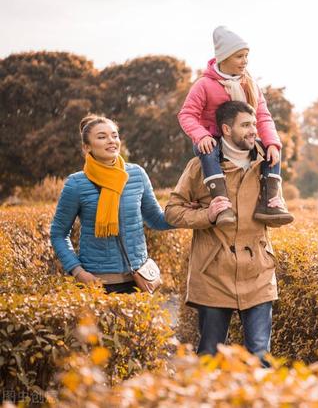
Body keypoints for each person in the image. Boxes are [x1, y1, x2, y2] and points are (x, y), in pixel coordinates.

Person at [165, 101, 290, 365]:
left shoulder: (267, 165)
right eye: (245, 125)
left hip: (259, 273)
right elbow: (172, 212)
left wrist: (277, 208)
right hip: (213, 274)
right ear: (226, 129)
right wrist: (207, 215)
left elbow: (277, 213)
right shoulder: (199, 167)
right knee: (210, 355)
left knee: (260, 357)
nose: (253, 131)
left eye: (255, 124)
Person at [178, 25, 293, 228]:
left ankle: (271, 202)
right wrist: (201, 135)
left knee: (272, 148)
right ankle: (222, 205)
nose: (245, 61)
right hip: (211, 139)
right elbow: (187, 114)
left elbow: (263, 116)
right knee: (209, 151)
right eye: (239, 56)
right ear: (224, 58)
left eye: (246, 55)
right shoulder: (204, 85)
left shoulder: (250, 84)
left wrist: (272, 143)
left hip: (241, 137)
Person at [50, 114, 173, 294]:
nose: (111, 141)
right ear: (87, 147)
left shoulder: (136, 174)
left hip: (138, 280)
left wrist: (186, 211)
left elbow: (156, 219)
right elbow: (58, 234)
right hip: (97, 283)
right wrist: (78, 272)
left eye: (114, 135)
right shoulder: (76, 184)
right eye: (102, 137)